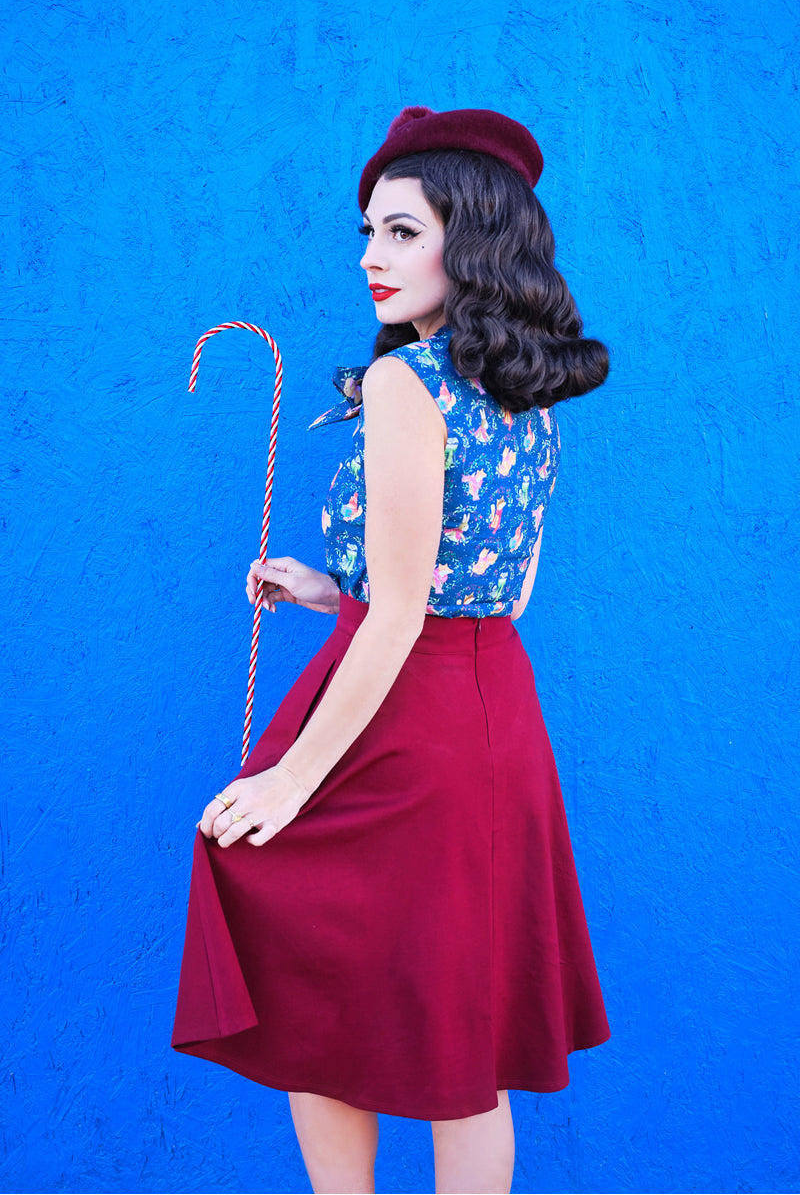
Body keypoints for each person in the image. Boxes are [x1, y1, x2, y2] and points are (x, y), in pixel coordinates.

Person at [172, 106, 611, 1195]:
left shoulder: (404, 382)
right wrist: (336, 590)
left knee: (313, 980)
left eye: (403, 232)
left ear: (475, 236)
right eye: (368, 232)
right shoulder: (528, 385)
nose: (371, 257)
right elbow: (493, 582)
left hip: (398, 721)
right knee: (467, 1044)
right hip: (493, 717)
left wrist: (288, 778)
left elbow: (408, 616)